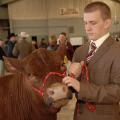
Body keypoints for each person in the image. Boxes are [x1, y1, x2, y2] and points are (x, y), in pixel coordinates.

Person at [63, 1, 120, 120]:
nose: (87, 28)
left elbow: (117, 92)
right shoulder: (79, 51)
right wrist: (71, 76)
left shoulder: (117, 51)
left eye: (93, 23)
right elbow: (72, 88)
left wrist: (81, 87)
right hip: (79, 116)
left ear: (107, 23)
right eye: (85, 23)